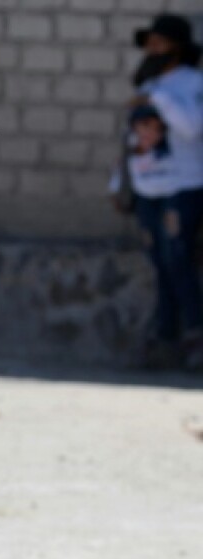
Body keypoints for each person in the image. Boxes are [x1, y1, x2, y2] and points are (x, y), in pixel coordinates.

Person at [123, 13, 203, 371]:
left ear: (177, 48)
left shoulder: (191, 83)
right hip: (147, 186)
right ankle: (166, 335)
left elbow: (191, 129)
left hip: (182, 185)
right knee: (160, 264)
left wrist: (160, 100)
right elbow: (134, 138)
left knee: (179, 261)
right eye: (149, 42)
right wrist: (119, 182)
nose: (152, 49)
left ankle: (194, 333)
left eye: (159, 42)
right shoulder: (150, 84)